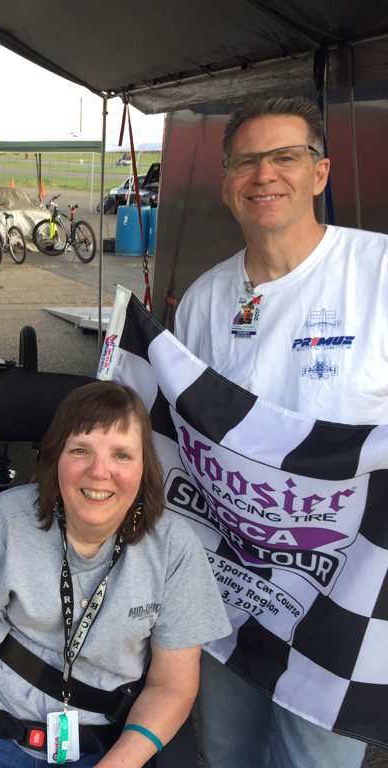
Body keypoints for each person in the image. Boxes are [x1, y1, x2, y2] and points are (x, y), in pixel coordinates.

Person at [174, 97, 388, 767]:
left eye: (285, 157)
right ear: (225, 184)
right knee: (225, 750)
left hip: (341, 596)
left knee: (314, 760)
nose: (264, 175)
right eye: (246, 162)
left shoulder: (378, 272)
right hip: (233, 588)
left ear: (319, 173)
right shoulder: (205, 300)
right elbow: (182, 440)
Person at [0, 381, 231, 768]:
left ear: (144, 468)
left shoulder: (174, 549)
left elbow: (172, 686)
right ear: (55, 458)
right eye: (80, 450)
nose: (99, 471)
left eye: (121, 455)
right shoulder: (8, 519)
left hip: (101, 749)